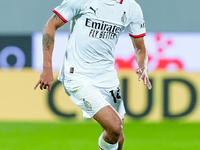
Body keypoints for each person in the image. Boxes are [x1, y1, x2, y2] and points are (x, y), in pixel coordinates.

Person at [34, 0, 152, 149]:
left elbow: (140, 46)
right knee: (114, 127)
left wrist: (143, 65)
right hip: (78, 75)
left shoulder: (132, 7)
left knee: (117, 138)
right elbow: (50, 25)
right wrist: (47, 68)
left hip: (107, 76)